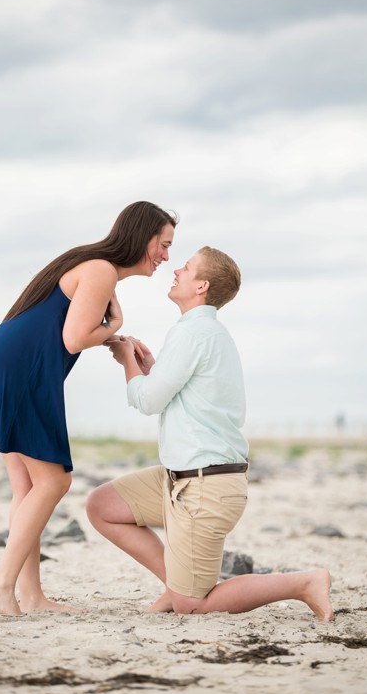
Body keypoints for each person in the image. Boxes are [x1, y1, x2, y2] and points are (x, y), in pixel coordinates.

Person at [85, 246, 333, 620]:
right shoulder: (202, 332)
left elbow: (149, 401)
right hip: (180, 479)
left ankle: (304, 582)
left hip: (205, 487)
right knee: (103, 506)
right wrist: (150, 366)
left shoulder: (195, 334)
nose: (175, 270)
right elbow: (182, 393)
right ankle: (177, 584)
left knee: (193, 605)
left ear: (201, 285)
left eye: (185, 268)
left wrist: (126, 364)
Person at [0, 201, 177, 616]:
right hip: (22, 373)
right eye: (163, 245)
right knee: (54, 482)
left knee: (28, 487)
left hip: (5, 365)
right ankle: (0, 584)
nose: (166, 256)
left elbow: (66, 331)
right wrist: (116, 326)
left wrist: (112, 336)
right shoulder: (100, 270)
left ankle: (33, 597)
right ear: (141, 236)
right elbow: (74, 338)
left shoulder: (96, 268)